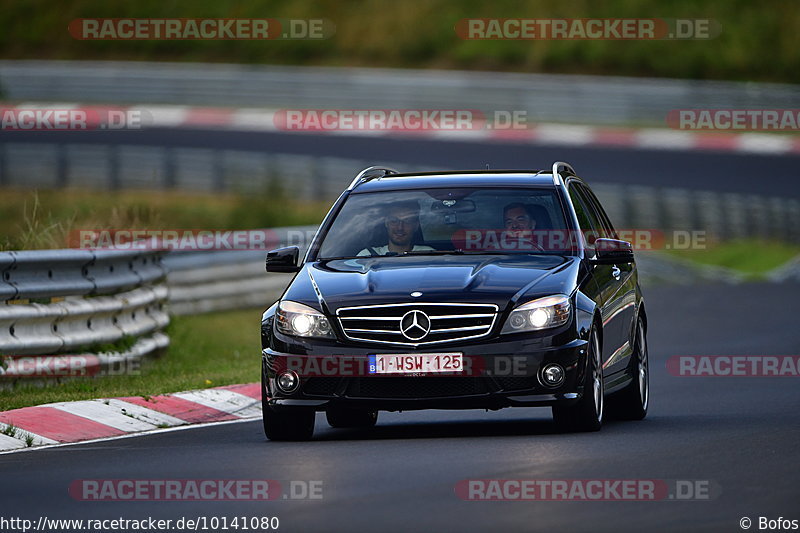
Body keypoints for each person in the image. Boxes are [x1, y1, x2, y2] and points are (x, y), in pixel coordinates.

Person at [358, 201, 435, 256]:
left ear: (416, 225)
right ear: (386, 223)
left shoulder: (428, 254)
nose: (400, 227)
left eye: (407, 221)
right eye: (394, 221)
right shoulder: (366, 256)